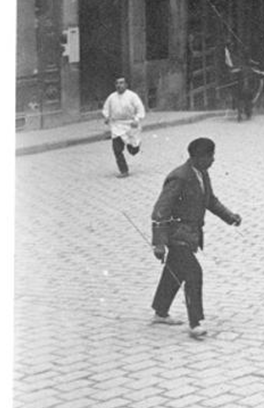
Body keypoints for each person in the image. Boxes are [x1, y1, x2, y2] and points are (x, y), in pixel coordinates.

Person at [150, 138, 242, 339]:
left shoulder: (201, 173)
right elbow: (160, 211)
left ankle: (160, 311)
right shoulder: (179, 177)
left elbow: (210, 200)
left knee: (174, 270)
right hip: (177, 234)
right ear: (198, 157)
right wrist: (159, 243)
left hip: (191, 234)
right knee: (193, 273)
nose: (213, 160)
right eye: (210, 156)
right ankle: (195, 323)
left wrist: (230, 217)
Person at [102, 77, 146, 178]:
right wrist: (107, 117)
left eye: (121, 83)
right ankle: (124, 170)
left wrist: (137, 119)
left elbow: (140, 109)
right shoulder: (112, 97)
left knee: (133, 150)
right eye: (117, 83)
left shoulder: (132, 96)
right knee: (117, 149)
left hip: (130, 124)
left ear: (126, 85)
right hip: (117, 125)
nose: (119, 85)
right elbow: (106, 109)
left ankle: (136, 145)